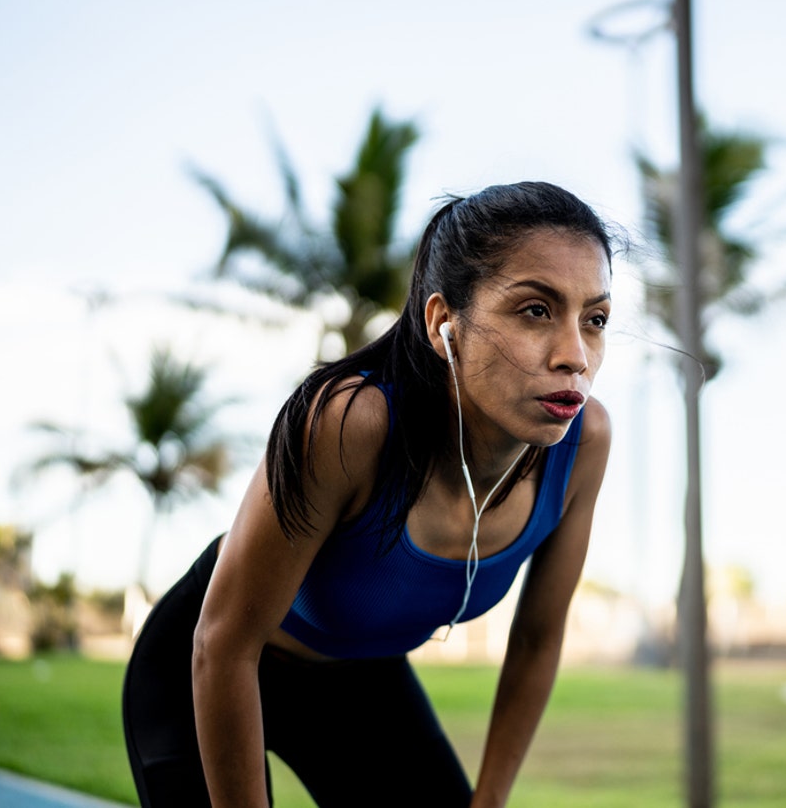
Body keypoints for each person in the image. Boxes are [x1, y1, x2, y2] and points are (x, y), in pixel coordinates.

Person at [122, 181, 616, 807]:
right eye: (535, 311)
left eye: (594, 320)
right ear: (444, 324)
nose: (575, 355)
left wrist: (487, 802)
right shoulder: (352, 424)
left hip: (362, 683)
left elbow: (539, 638)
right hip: (212, 664)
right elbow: (223, 642)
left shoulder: (582, 444)